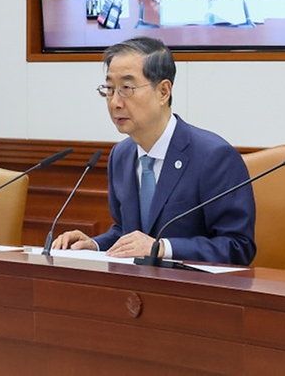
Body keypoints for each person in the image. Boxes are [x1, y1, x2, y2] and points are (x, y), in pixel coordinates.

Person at [52, 37, 255, 265]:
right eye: (109, 89)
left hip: (192, 292)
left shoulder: (214, 157)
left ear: (163, 92)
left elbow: (238, 246)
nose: (114, 102)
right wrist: (95, 245)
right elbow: (128, 233)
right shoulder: (122, 155)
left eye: (126, 89)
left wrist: (162, 248)